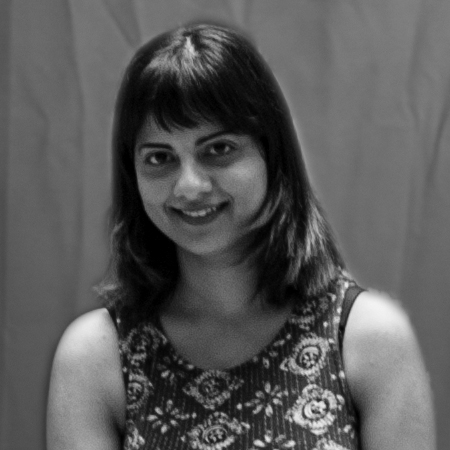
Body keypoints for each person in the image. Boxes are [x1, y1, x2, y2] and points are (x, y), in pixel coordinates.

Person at [46, 22, 435, 450]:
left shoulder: (368, 339)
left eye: (218, 149)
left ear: (271, 155)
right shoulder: (96, 357)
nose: (189, 186)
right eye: (159, 158)